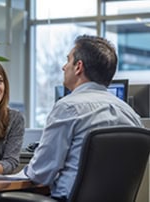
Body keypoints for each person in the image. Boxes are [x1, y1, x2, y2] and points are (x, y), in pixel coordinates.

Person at [24, 35, 143, 202]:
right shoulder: (132, 116)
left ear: (79, 67)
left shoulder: (68, 107)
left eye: (68, 60)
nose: (63, 67)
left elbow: (40, 174)